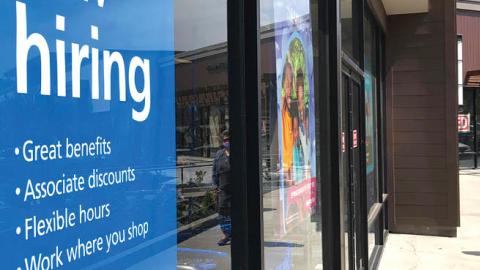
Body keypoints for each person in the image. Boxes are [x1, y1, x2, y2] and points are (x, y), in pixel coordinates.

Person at [212, 130, 231, 246]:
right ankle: (226, 235)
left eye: (228, 140)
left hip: (236, 190)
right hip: (223, 189)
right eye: (225, 140)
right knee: (222, 213)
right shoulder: (219, 154)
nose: (226, 142)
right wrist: (215, 185)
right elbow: (214, 171)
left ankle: (237, 233)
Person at [281, 62, 294, 186]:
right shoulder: (282, 104)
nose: (289, 87)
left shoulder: (291, 108)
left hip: (289, 130)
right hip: (285, 128)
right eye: (287, 81)